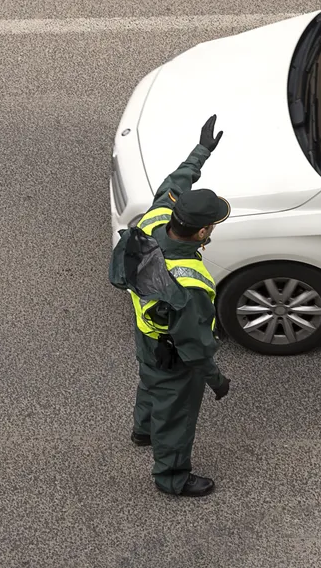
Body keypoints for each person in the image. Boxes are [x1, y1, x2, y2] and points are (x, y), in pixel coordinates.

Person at [108, 115, 232, 497]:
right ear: (200, 232)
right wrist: (215, 379)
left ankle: (142, 430)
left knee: (150, 381)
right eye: (212, 225)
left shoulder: (154, 220)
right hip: (174, 351)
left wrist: (201, 152)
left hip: (148, 338)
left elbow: (174, 184)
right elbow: (195, 345)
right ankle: (172, 477)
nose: (213, 229)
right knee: (176, 413)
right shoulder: (187, 283)